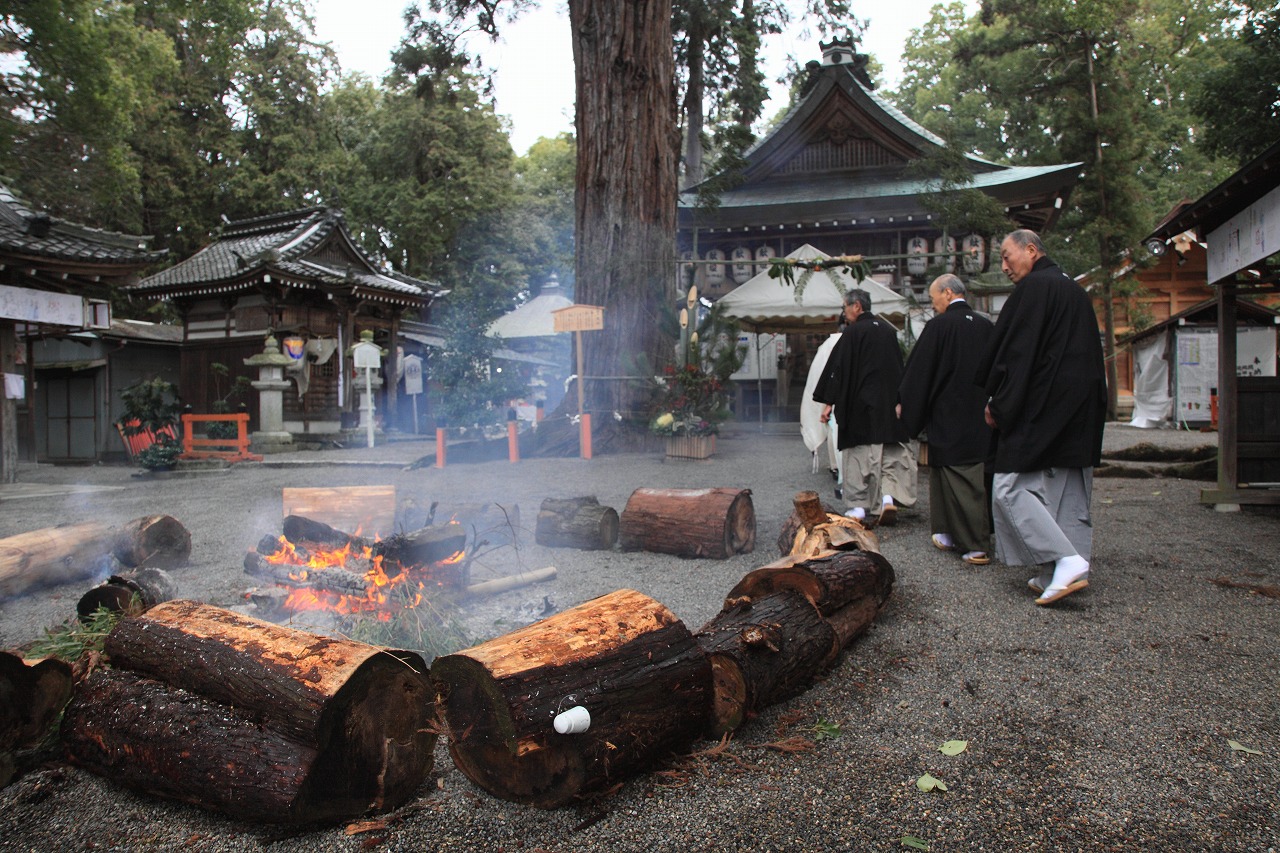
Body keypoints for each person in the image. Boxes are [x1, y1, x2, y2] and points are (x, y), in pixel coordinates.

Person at [975, 229, 1107, 605]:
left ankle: (1065, 559)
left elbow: (1019, 355)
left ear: (1031, 251)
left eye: (1006, 255)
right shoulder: (1073, 289)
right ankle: (1061, 568)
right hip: (1080, 405)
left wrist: (999, 404)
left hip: (1044, 402)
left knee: (1009, 488)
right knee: (1067, 489)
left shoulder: (1036, 288)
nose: (1003, 266)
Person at [898, 273, 995, 566]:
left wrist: (907, 405)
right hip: (982, 412)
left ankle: (976, 544)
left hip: (949, 412)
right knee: (950, 472)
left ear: (949, 293)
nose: (933, 302)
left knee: (961, 476)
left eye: (933, 297)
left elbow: (920, 372)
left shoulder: (939, 326)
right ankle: (948, 531)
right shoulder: (986, 326)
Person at [814, 289, 914, 525]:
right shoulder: (889, 332)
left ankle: (858, 507)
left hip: (858, 405)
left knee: (858, 456)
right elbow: (899, 369)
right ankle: (887, 498)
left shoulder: (852, 333)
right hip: (887, 405)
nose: (844, 312)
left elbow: (837, 371)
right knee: (888, 453)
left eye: (845, 307)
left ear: (856, 306)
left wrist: (828, 402)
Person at [800, 318, 845, 496]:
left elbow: (819, 373)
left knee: (834, 433)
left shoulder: (828, 344)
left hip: (832, 397)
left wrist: (824, 399)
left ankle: (836, 468)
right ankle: (842, 470)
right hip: (849, 397)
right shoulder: (854, 339)